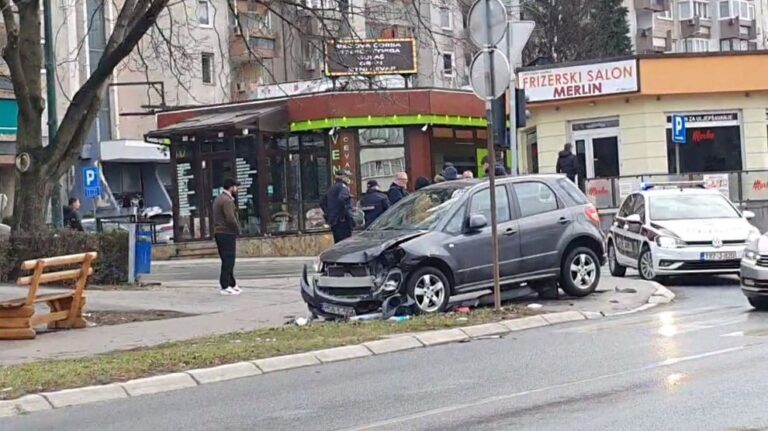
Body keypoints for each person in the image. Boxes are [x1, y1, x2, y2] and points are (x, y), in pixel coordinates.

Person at [213, 178, 241, 296]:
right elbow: (230, 218)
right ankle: (225, 285)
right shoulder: (227, 200)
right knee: (229, 259)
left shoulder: (219, 198)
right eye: (236, 187)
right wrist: (237, 229)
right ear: (231, 187)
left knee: (226, 259)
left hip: (219, 232)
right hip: (226, 232)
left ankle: (232, 283)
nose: (237, 189)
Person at [321, 170, 354, 243]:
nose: (348, 179)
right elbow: (343, 199)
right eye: (347, 177)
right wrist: (347, 214)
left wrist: (329, 214)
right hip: (343, 221)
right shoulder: (343, 187)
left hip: (333, 222)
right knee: (345, 244)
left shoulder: (331, 188)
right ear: (343, 177)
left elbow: (323, 203)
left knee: (338, 244)